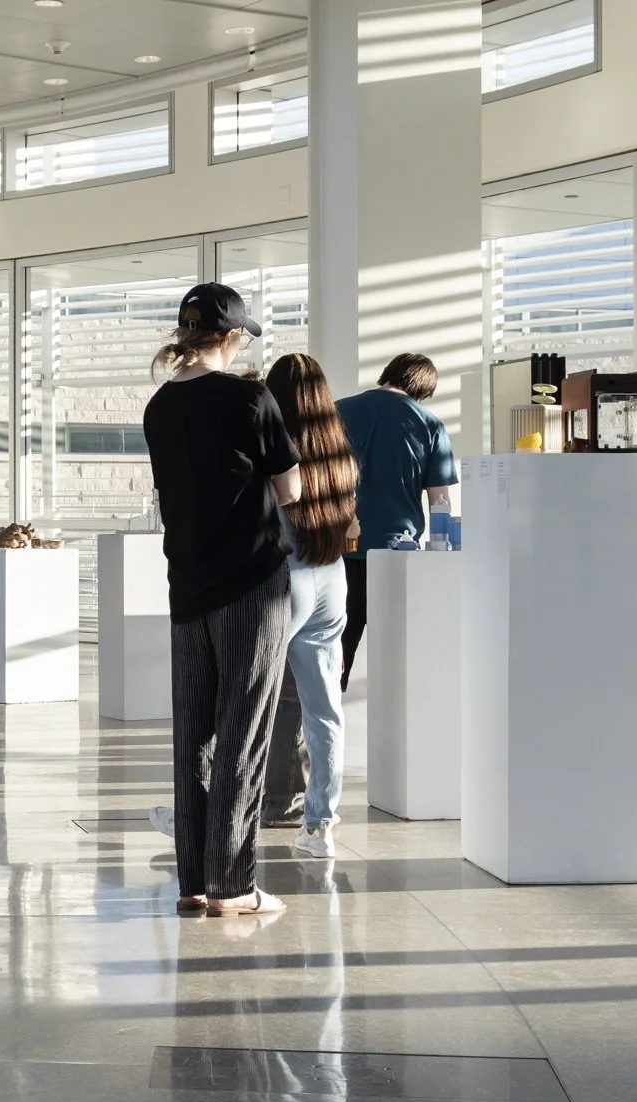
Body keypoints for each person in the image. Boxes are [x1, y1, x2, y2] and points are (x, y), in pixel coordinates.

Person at [141, 283, 300, 918]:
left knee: (194, 737)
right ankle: (233, 885)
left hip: (187, 584)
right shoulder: (250, 398)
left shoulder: (160, 406)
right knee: (244, 731)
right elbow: (290, 490)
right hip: (252, 584)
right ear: (231, 336)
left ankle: (194, 883)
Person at [257, 354, 358, 860]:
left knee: (246, 699)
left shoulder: (272, 448)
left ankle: (216, 812)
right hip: (331, 579)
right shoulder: (340, 455)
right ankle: (319, 826)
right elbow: (352, 526)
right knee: (325, 711)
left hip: (286, 577)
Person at [334, 352, 457, 689]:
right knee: (396, 651)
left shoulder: (337, 411)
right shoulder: (430, 424)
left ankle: (324, 715)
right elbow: (440, 501)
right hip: (397, 551)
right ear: (423, 389)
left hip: (339, 547)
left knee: (336, 650)